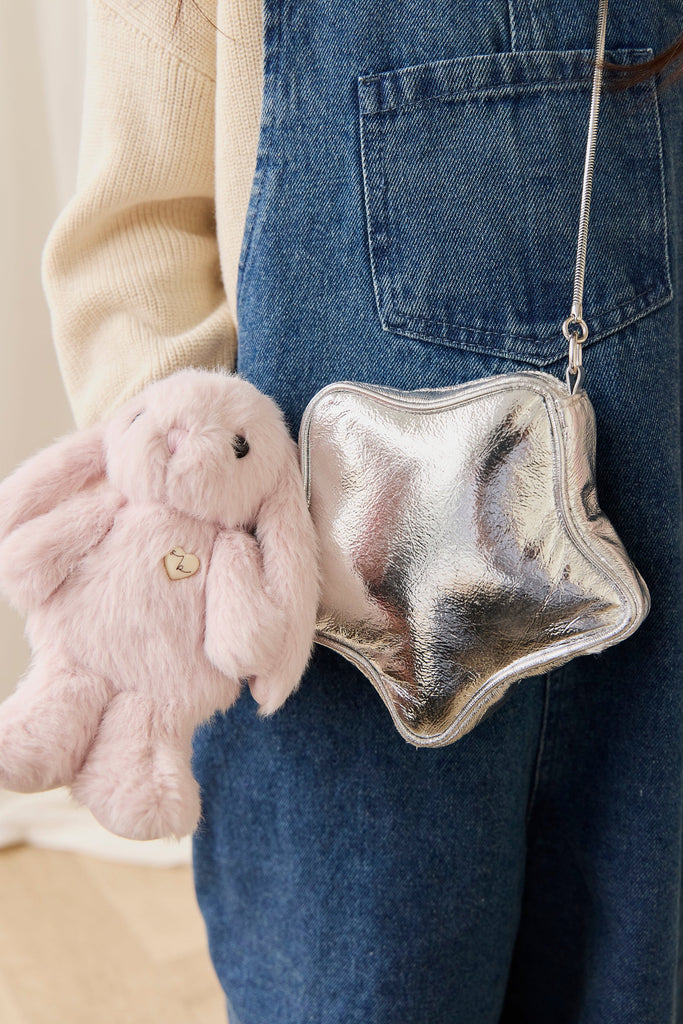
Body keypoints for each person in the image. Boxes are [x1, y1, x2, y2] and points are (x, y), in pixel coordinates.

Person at [41, 1, 682, 1021]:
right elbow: (136, 228)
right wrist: (185, 513)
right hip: (323, 601)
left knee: (635, 969)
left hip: (652, 550)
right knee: (356, 987)